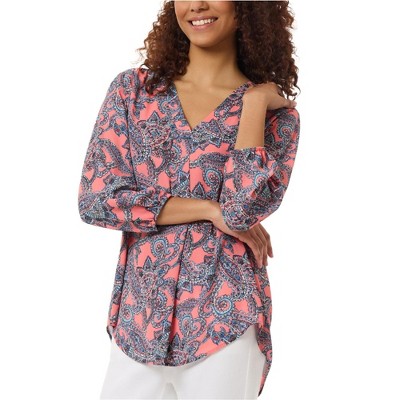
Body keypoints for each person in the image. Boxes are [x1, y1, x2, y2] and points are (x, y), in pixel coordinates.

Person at [78, 0, 301, 399]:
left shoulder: (275, 117)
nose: (197, 4)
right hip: (138, 321)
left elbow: (241, 210)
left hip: (225, 322)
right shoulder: (133, 92)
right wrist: (208, 210)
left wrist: (252, 103)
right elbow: (97, 199)